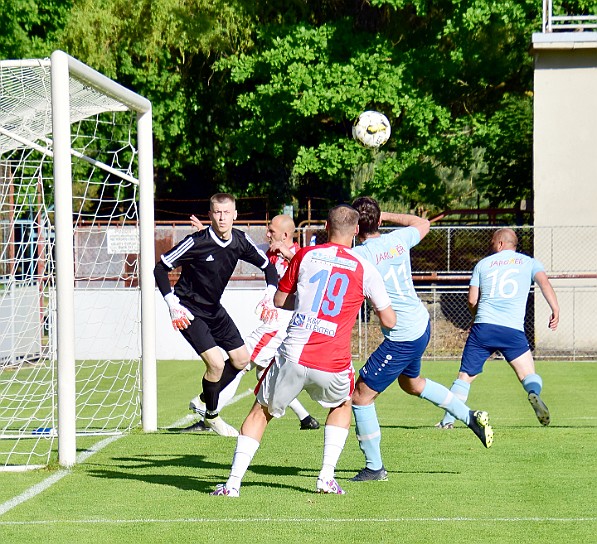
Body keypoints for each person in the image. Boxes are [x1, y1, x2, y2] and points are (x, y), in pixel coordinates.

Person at [211, 204, 396, 497]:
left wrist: (308, 306)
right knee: (343, 404)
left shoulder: (306, 255)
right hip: (333, 361)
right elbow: (389, 320)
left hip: (294, 352)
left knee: (261, 411)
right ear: (357, 230)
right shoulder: (365, 269)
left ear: (325, 225)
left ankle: (232, 484)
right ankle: (325, 477)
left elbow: (281, 299)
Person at [349, 196, 493, 483]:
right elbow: (422, 223)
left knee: (361, 396)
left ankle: (374, 468)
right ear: (378, 222)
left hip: (402, 335)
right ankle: (469, 417)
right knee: (411, 383)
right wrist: (384, 214)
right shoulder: (399, 239)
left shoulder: (359, 256)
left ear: (355, 228)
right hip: (420, 323)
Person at [154, 193, 279, 437]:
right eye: (217, 213)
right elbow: (160, 268)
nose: (222, 218)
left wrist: (269, 294)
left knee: (242, 360)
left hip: (214, 309)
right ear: (210, 215)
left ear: (235, 215)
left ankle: (204, 399)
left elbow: (268, 267)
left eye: (226, 213)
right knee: (216, 363)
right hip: (188, 309)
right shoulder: (197, 241)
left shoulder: (240, 241)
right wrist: (171, 303)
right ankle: (212, 416)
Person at [187, 214, 320, 430]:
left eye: (272, 232)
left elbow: (311, 277)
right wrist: (207, 231)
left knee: (240, 362)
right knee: (264, 372)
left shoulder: (301, 256)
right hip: (275, 325)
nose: (267, 234)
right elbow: (235, 245)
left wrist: (288, 256)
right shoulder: (269, 251)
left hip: (279, 326)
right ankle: (306, 418)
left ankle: (207, 406)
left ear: (285, 235)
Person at [437, 227, 559, 429]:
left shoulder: (483, 264)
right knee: (528, 374)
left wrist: (476, 317)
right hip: (512, 330)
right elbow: (544, 283)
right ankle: (534, 394)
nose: (490, 245)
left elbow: (472, 299)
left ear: (501, 243)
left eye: (492, 242)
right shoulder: (530, 263)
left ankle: (447, 421)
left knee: (465, 377)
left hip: (484, 327)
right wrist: (555, 309)